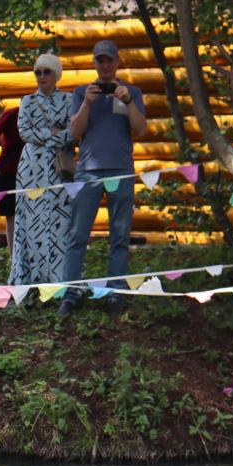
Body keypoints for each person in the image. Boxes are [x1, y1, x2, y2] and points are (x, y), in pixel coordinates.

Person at [62, 38, 149, 297]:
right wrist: (88, 103)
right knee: (77, 234)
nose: (105, 64)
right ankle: (70, 292)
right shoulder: (81, 93)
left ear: (117, 61)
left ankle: (116, 292)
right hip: (87, 171)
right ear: (95, 63)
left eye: (109, 59)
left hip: (122, 170)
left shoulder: (131, 93)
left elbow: (141, 130)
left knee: (120, 235)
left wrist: (129, 102)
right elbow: (75, 132)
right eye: (100, 60)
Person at [10, 52, 79, 288]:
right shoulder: (27, 101)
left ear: (56, 74)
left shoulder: (69, 101)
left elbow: (74, 132)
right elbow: (23, 132)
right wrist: (53, 133)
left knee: (61, 220)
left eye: (46, 71)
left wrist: (49, 136)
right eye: (37, 72)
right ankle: (29, 280)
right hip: (31, 170)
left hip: (60, 168)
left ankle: (61, 280)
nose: (41, 76)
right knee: (31, 220)